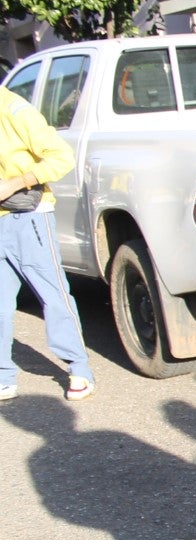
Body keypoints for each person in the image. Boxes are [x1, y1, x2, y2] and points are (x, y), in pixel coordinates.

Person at [0, 85, 94, 401]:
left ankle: (79, 369)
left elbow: (60, 156)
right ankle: (3, 376)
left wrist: (16, 182)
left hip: (29, 215)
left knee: (52, 295)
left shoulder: (15, 109)